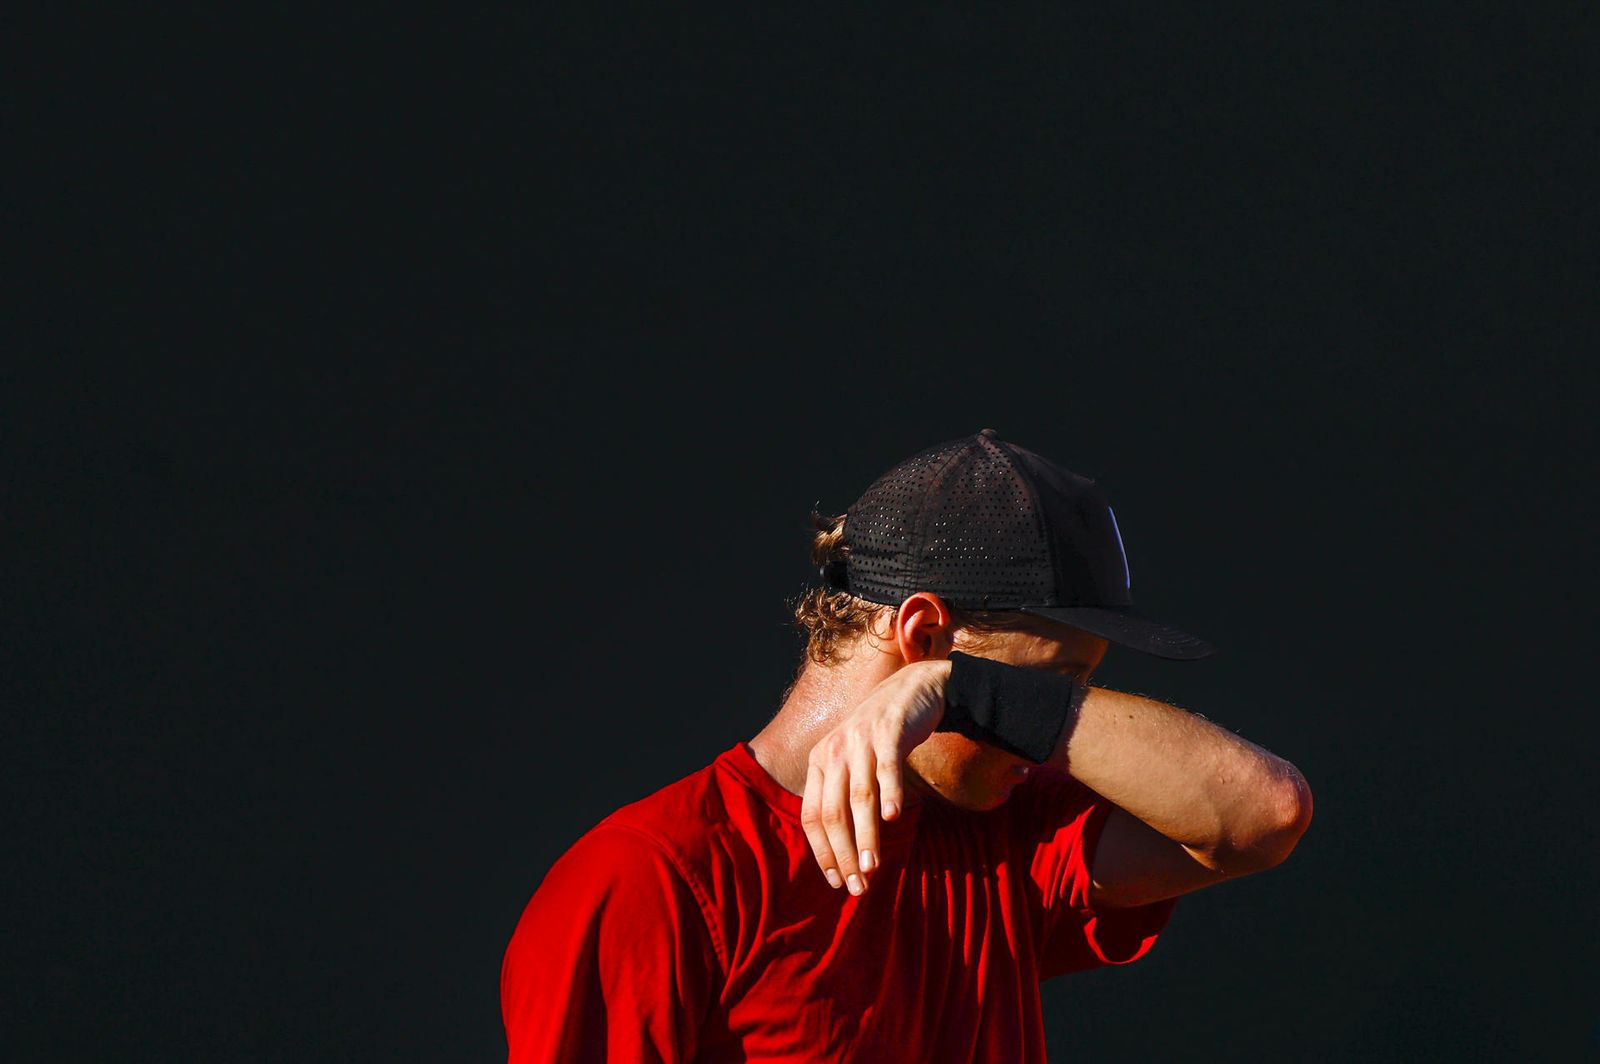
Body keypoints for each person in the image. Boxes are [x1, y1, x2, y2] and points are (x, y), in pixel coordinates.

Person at [501, 428, 1312, 1063]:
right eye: (1050, 683)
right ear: (923, 632)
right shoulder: (649, 878)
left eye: (1054, 701)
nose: (1039, 731)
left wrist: (973, 692)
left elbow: (1264, 813)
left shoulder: (1006, 821)